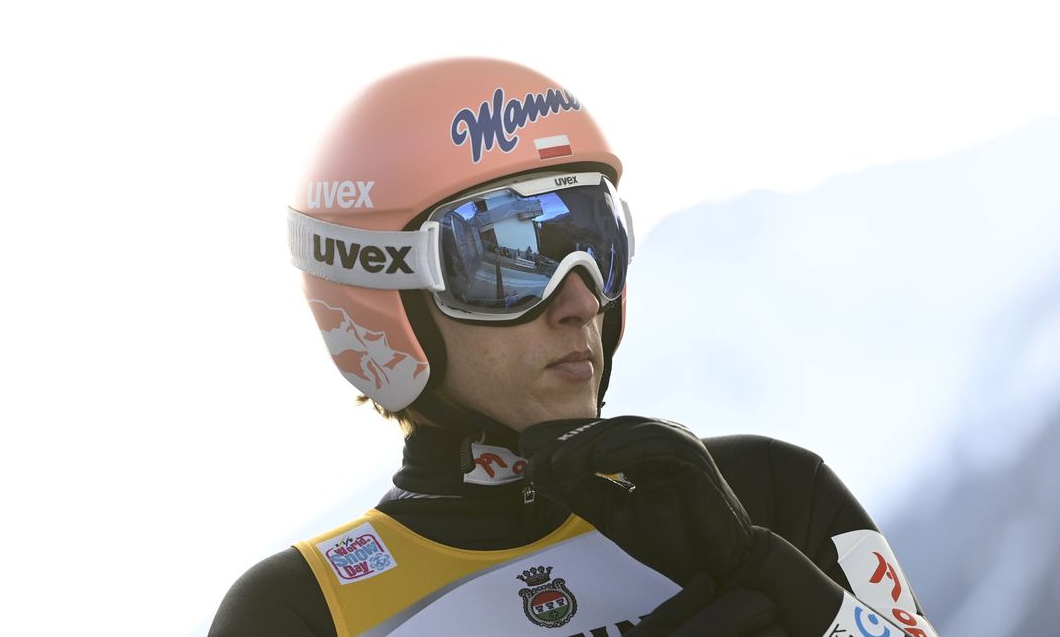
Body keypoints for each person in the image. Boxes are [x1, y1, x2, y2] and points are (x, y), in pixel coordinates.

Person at [209, 59, 939, 636]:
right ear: (385, 294)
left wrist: (774, 575)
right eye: (509, 259)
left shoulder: (771, 492)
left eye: (596, 246)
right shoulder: (303, 613)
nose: (581, 301)